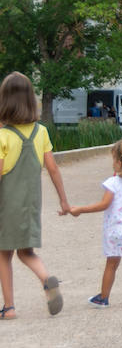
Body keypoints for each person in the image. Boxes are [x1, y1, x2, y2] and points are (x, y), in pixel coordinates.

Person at [0, 72, 71, 318]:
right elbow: (53, 169)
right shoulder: (41, 132)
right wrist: (63, 200)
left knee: (3, 254)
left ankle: (9, 307)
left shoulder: (3, 136)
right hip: (31, 204)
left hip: (7, 206)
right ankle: (46, 278)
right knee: (25, 252)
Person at [65, 132, 122, 307]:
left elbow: (104, 204)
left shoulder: (113, 183)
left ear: (120, 163)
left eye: (114, 159)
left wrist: (80, 210)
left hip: (116, 229)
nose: (112, 162)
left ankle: (103, 297)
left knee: (112, 263)